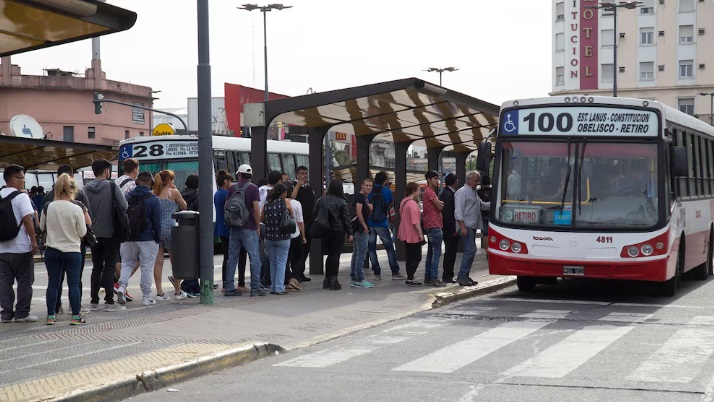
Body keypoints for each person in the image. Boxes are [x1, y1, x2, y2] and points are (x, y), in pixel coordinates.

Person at [42, 164, 93, 314]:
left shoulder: (48, 205)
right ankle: (75, 315)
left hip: (52, 250)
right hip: (72, 250)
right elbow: (83, 231)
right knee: (74, 284)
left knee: (53, 284)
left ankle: (51, 315)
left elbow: (41, 226)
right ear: (73, 189)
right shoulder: (77, 207)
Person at [84, 159, 127, 311]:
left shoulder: (85, 189)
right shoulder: (111, 186)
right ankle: (109, 301)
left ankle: (94, 301)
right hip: (110, 233)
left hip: (93, 234)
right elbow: (124, 205)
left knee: (96, 267)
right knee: (109, 267)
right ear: (107, 171)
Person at [116, 171, 162, 307]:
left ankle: (121, 287)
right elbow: (157, 222)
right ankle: (146, 297)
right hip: (147, 237)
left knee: (127, 263)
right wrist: (157, 239)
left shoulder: (126, 197)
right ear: (151, 183)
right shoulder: (154, 199)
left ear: (137, 182)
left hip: (128, 237)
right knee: (147, 266)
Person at [0, 165, 39, 323]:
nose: (24, 181)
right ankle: (22, 313)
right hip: (21, 248)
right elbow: (28, 220)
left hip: (1, 248)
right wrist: (34, 242)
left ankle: (6, 314)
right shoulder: (22, 197)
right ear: (14, 179)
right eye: (22, 177)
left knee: (4, 281)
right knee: (24, 280)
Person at [225, 164, 265, 297]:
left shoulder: (232, 188)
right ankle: (255, 288)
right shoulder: (253, 188)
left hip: (234, 227)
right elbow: (256, 209)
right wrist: (258, 226)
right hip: (249, 228)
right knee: (254, 257)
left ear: (239, 174)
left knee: (232, 258)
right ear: (251, 176)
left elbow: (226, 206)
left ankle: (229, 287)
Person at [152, 170, 187, 300]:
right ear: (168, 181)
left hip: (157, 229)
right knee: (175, 261)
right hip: (171, 228)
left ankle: (160, 292)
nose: (173, 182)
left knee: (158, 262)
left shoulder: (153, 193)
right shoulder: (173, 192)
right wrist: (176, 190)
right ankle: (177, 292)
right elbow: (184, 206)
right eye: (172, 179)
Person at [314, 180, 353, 290]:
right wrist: (350, 232)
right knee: (335, 255)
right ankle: (333, 280)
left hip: (325, 230)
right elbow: (346, 218)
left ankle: (326, 279)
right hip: (338, 231)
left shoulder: (321, 200)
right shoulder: (342, 201)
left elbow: (314, 214)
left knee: (330, 255)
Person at [454, 171, 491, 287]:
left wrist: (495, 202)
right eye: (476, 181)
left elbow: (482, 206)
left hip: (473, 225)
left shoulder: (474, 193)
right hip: (466, 225)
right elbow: (458, 211)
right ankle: (462, 275)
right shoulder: (462, 192)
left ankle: (465, 275)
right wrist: (462, 227)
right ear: (469, 180)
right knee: (470, 250)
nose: (478, 183)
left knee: (471, 250)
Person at [214, 170, 248, 292]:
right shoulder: (227, 193)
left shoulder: (217, 193)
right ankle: (241, 283)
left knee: (227, 257)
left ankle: (225, 284)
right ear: (225, 181)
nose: (232, 183)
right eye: (230, 181)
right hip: (230, 228)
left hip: (220, 228)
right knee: (241, 255)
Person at [112, 158, 140, 302]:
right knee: (134, 258)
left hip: (113, 223)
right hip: (127, 224)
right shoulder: (132, 185)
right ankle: (120, 284)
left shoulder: (115, 182)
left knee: (118, 256)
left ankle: (121, 286)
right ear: (135, 169)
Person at [367, 171, 403, 280]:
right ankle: (395, 272)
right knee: (389, 248)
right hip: (382, 223)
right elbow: (391, 204)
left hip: (370, 223)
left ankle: (376, 273)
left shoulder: (370, 191)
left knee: (372, 249)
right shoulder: (387, 191)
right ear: (384, 181)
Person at [261, 183, 293, 295]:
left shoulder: (267, 203)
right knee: (281, 262)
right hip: (283, 237)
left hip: (269, 237)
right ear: (284, 193)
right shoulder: (285, 202)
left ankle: (273, 287)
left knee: (273, 262)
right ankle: (279, 288)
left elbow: (262, 218)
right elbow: (292, 215)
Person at [258, 170, 283, 288]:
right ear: (279, 181)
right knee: (270, 256)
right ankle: (266, 280)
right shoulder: (274, 193)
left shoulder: (260, 189)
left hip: (258, 224)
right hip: (269, 226)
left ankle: (259, 278)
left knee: (260, 254)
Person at [177, 174, 200, 296]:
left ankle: (191, 284)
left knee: (187, 257)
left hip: (182, 228)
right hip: (194, 229)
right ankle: (190, 285)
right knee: (195, 258)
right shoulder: (197, 196)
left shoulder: (180, 194)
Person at [422, 170, 446, 287]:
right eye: (435, 179)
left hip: (429, 225)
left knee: (431, 253)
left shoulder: (427, 192)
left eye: (438, 178)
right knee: (437, 252)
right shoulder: (430, 192)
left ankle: (428, 277)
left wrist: (439, 203)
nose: (437, 181)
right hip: (434, 225)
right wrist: (441, 204)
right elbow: (439, 207)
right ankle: (434, 278)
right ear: (429, 179)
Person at [398, 182, 424, 286]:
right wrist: (420, 234)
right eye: (418, 190)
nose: (419, 192)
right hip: (413, 233)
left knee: (409, 256)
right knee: (417, 257)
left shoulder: (404, 201)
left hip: (405, 231)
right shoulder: (412, 204)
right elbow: (415, 222)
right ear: (413, 191)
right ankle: (410, 277)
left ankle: (410, 277)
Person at [349, 178, 374, 288]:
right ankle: (359, 278)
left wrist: (370, 209)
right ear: (362, 186)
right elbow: (358, 212)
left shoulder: (364, 198)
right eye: (366, 185)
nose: (368, 187)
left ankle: (355, 277)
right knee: (361, 254)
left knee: (356, 253)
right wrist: (364, 225)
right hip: (360, 228)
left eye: (370, 185)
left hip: (358, 228)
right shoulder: (360, 197)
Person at [291, 166, 315, 283]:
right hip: (297, 223)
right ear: (297, 175)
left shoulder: (309, 189)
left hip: (309, 223)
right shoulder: (292, 186)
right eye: (302, 173)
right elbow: (291, 199)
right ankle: (295, 274)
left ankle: (301, 272)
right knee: (297, 251)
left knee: (306, 249)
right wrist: (298, 185)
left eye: (306, 173)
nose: (304, 176)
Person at [284, 182, 306, 291]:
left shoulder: (278, 202)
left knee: (285, 259)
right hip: (295, 234)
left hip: (283, 235)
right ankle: (294, 277)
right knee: (300, 256)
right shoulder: (296, 203)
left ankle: (288, 279)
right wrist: (303, 236)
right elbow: (300, 222)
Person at [439, 173, 459, 284]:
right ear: (455, 181)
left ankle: (449, 274)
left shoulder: (449, 193)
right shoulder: (447, 194)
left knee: (451, 252)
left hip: (449, 228)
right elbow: (448, 214)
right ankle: (447, 275)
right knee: (450, 252)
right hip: (449, 229)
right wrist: (453, 229)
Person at [477, 175, 492, 251]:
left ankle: (487, 251)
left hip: (482, 215)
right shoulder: (494, 191)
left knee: (485, 234)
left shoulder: (479, 192)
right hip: (492, 215)